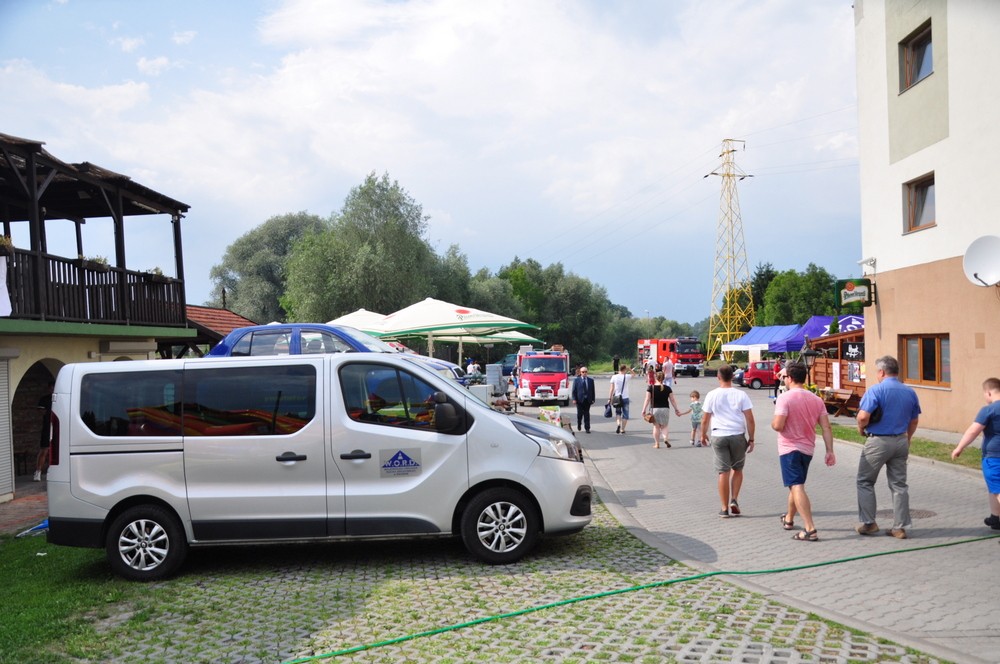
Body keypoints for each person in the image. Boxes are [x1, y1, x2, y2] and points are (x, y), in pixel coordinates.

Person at [855, 355, 921, 539]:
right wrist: (908, 438)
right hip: (900, 440)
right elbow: (914, 420)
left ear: (882, 372)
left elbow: (862, 416)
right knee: (899, 485)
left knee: (865, 481)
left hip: (878, 441)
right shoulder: (909, 392)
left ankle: (869, 523)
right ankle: (899, 527)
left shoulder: (876, 390)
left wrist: (860, 428)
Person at [770, 361, 836, 541]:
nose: (783, 380)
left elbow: (778, 425)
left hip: (789, 448)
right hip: (807, 449)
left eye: (784, 377)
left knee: (796, 486)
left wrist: (773, 423)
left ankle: (809, 529)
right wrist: (829, 450)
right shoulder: (816, 399)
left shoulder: (785, 398)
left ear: (790, 378)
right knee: (796, 484)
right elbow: (826, 427)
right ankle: (789, 519)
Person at [700, 365, 755, 518]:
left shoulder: (711, 395)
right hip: (737, 435)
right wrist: (751, 438)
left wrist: (703, 435)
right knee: (737, 469)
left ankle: (724, 508)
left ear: (718, 377)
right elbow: (750, 419)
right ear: (732, 377)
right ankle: (734, 500)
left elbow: (705, 419)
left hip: (719, 436)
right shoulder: (741, 395)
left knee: (723, 472)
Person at [950, 377, 1000, 530]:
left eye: (984, 394)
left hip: (994, 457)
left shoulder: (989, 410)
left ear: (989, 392)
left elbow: (973, 431)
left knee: (998, 490)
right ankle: (995, 518)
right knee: (994, 488)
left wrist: (959, 447)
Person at [641, 370, 682, 448]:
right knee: (664, 426)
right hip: (665, 409)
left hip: (655, 409)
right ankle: (665, 438)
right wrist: (676, 409)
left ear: (655, 377)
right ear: (663, 378)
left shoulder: (651, 388)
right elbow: (672, 400)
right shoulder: (668, 388)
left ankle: (657, 444)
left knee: (656, 427)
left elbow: (647, 399)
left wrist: (644, 409)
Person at [33, 381, 54, 482]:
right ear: (49, 388)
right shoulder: (44, 399)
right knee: (44, 450)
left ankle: (54, 472)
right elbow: (40, 412)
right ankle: (38, 472)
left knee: (58, 450)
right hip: (47, 427)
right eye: (51, 388)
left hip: (58, 427)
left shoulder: (61, 398)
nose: (53, 390)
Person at [608, 364, 631, 435]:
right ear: (625, 369)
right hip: (625, 397)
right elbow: (634, 374)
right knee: (625, 414)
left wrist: (609, 398)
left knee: (618, 412)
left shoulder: (614, 377)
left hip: (617, 397)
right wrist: (629, 369)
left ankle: (618, 424)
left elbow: (611, 389)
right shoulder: (627, 376)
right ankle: (622, 429)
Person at [572, 366, 596, 434]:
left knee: (587, 414)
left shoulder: (590, 380)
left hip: (587, 400)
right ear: (580, 372)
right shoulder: (576, 380)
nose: (584, 373)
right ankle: (579, 424)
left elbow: (592, 390)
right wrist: (574, 399)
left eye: (586, 372)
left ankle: (587, 428)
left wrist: (593, 399)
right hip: (579, 400)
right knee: (579, 414)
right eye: (583, 372)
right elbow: (574, 391)